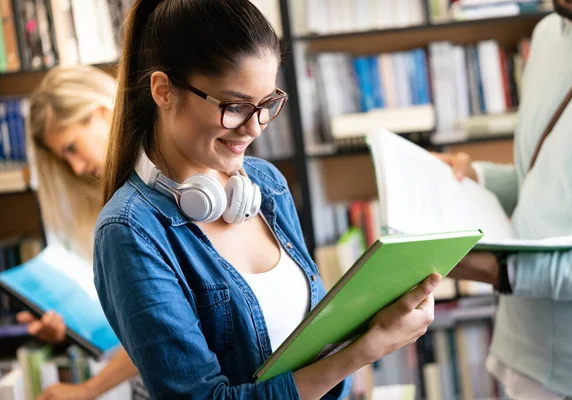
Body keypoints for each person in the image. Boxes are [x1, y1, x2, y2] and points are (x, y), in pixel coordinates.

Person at [93, 0, 442, 398]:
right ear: (163, 91)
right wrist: (364, 351)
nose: (254, 129)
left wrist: (378, 318)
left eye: (267, 104)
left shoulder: (266, 185)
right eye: (236, 106)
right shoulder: (129, 232)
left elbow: (313, 346)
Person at [439, 1, 572, 398]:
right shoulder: (548, 34)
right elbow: (551, 184)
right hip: (519, 348)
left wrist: (505, 273)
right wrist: (474, 176)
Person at [19, 65, 147, 400]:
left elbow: (157, 332)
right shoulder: (121, 199)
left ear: (102, 112)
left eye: (72, 147)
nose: (75, 168)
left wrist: (87, 390)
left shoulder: (150, 200)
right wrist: (68, 331)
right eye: (65, 158)